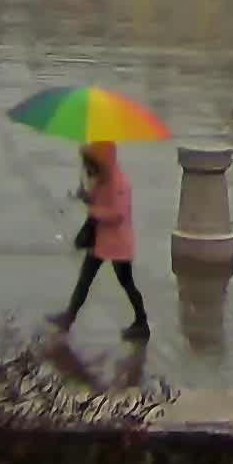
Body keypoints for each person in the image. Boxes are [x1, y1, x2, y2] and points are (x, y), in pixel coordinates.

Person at [59, 140, 150, 340]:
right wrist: (85, 196)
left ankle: (142, 323)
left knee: (126, 283)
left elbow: (118, 214)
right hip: (100, 240)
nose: (88, 167)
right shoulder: (102, 179)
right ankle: (69, 317)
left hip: (118, 244)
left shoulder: (120, 184)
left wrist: (94, 210)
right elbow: (99, 200)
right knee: (85, 279)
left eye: (90, 163)